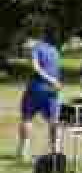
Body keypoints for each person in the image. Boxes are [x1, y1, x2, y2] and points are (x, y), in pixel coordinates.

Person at [17, 31, 62, 161]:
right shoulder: (55, 50)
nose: (24, 47)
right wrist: (54, 82)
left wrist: (50, 80)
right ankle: (55, 151)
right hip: (52, 91)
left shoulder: (34, 48)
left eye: (25, 43)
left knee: (27, 118)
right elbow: (55, 69)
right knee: (54, 121)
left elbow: (36, 68)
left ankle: (23, 151)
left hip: (36, 89)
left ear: (32, 39)